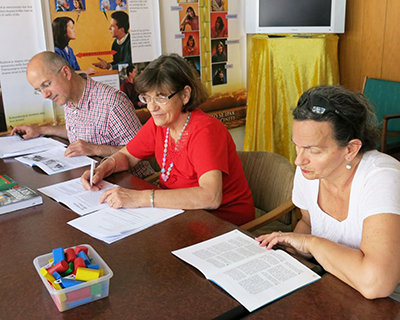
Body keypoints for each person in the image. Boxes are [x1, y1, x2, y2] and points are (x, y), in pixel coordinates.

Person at [257, 85, 400, 301]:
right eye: (298, 146)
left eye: (313, 150)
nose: (299, 160)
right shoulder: (310, 170)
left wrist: (310, 244)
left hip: (387, 303)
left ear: (350, 149)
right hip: (335, 284)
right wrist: (293, 251)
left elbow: (376, 284)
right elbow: (307, 222)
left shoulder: (382, 178)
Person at [81, 54, 255, 226]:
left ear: (185, 95)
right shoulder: (161, 123)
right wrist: (102, 169)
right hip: (178, 213)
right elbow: (127, 156)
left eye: (161, 97)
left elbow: (211, 197)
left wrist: (139, 198)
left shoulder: (205, 131)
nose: (151, 107)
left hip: (220, 222)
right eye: (147, 98)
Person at [11, 52, 153, 179]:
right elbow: (77, 130)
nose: (45, 95)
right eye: (39, 90)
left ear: (66, 73)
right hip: (95, 178)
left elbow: (141, 152)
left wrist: (95, 148)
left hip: (132, 182)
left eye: (47, 84)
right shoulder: (67, 98)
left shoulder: (111, 103)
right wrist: (41, 130)